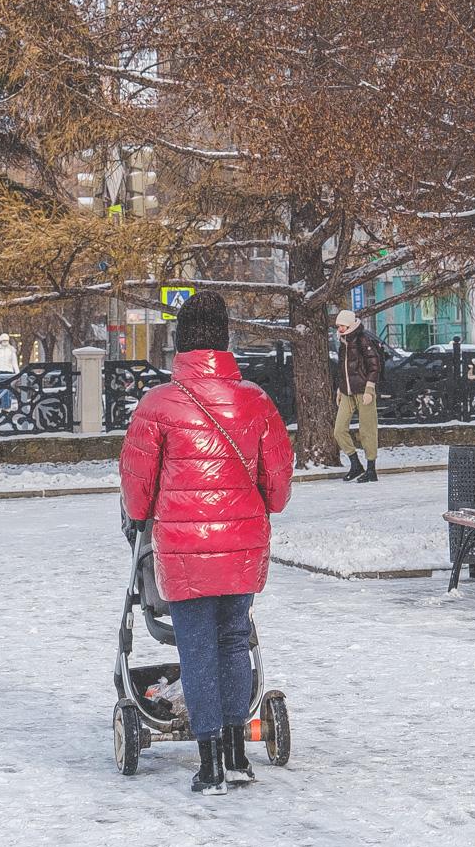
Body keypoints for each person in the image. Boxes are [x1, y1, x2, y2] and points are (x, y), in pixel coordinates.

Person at [120, 292, 294, 795]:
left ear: (180, 341)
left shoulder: (157, 405)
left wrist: (144, 516)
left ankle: (211, 763)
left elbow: (137, 492)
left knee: (196, 648)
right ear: (225, 339)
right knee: (234, 640)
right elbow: (278, 489)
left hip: (183, 548)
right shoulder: (256, 401)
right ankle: (239, 756)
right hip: (242, 547)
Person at [331, 309, 386, 483]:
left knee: (367, 430)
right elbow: (342, 370)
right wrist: (340, 389)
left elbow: (374, 365)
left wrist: (370, 388)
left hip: (364, 391)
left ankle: (371, 469)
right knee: (339, 430)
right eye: (338, 326)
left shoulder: (363, 340)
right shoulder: (343, 343)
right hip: (347, 392)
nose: (339, 329)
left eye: (342, 326)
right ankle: (356, 464)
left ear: (350, 325)